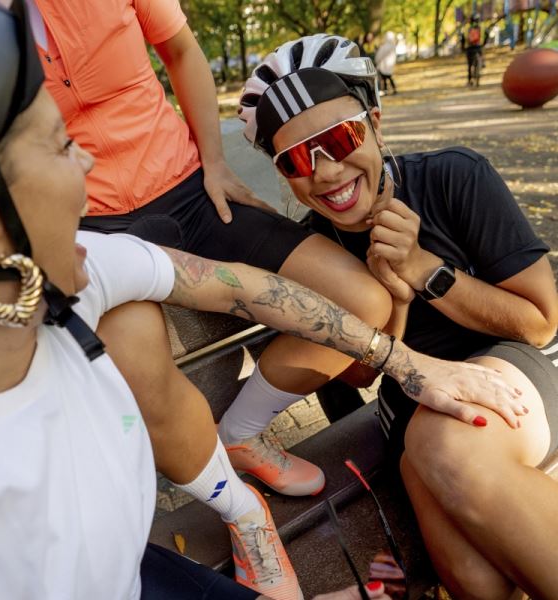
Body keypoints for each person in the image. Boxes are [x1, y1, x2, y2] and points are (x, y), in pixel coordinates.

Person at [0, 6, 523, 599]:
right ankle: (242, 509)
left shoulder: (92, 266)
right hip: (96, 220)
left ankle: (242, 450)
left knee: (360, 293)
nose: (86, 156)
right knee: (141, 364)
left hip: (179, 185)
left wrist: (408, 365)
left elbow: (241, 286)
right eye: (60, 145)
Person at [236, 33, 558, 598]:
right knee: (475, 580)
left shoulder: (454, 176)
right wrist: (397, 304)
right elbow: (359, 375)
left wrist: (423, 270)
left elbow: (540, 322)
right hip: (410, 406)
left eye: (339, 137)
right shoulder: (313, 253)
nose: (328, 170)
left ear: (376, 124)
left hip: (522, 371)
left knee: (444, 445)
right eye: (296, 159)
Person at [465, 14, 485, 86]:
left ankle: (469, 79)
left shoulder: (467, 27)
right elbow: (483, 36)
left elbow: (465, 37)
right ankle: (482, 62)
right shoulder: (481, 26)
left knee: (469, 65)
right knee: (481, 54)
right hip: (478, 46)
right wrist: (482, 43)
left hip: (469, 47)